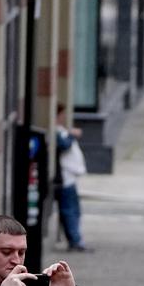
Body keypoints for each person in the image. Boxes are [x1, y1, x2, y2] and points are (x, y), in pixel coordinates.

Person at [55, 107, 90, 252]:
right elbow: (63, 145)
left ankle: (76, 239)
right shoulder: (57, 132)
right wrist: (71, 134)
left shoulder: (61, 130)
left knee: (74, 210)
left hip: (70, 178)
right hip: (65, 178)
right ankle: (75, 241)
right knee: (69, 210)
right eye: (62, 115)